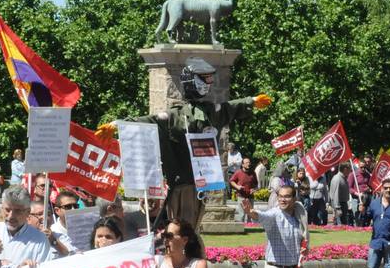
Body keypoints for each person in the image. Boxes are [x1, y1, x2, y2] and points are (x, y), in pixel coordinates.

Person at [100, 58, 272, 227]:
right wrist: (118, 125)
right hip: (181, 183)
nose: (208, 83)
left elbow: (229, 107)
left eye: (209, 78)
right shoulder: (177, 115)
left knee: (191, 227)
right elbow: (150, 120)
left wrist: (251, 101)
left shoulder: (211, 112)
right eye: (204, 78)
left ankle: (190, 249)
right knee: (181, 227)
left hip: (201, 182)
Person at [241, 185, 309, 268]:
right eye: (280, 196)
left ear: (294, 199)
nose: (283, 200)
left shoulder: (299, 215)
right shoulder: (274, 214)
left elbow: (304, 236)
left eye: (287, 196)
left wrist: (305, 246)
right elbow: (262, 216)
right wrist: (250, 212)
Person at [0, 186, 53, 268]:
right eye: (7, 210)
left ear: (28, 212)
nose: (11, 216)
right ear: (1, 208)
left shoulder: (40, 240)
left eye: (18, 211)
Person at [46, 190, 79, 256]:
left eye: (75, 206)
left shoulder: (86, 227)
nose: (73, 209)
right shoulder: (52, 232)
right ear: (57, 211)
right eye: (68, 207)